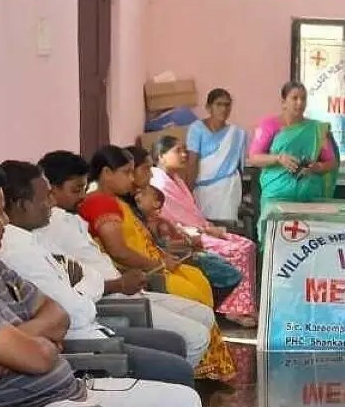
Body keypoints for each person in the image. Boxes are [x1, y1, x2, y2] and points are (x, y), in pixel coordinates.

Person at [0, 162, 201, 407]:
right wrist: (39, 341)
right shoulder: (13, 249)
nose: (4, 221)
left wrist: (23, 341)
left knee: (186, 404)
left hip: (69, 384)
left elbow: (57, 315)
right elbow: (42, 352)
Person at [0, 160, 194, 387]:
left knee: (174, 343)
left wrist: (80, 295)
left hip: (93, 321)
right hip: (83, 345)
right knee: (178, 368)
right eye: (45, 198)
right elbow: (74, 313)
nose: (52, 203)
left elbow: (81, 280)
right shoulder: (17, 250)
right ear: (21, 204)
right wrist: (86, 295)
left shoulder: (33, 237)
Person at [35, 150, 218, 370]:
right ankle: (178, 377)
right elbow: (114, 254)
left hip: (125, 288)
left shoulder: (69, 218)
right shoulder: (46, 227)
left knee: (205, 315)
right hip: (108, 299)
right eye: (75, 190)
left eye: (83, 188)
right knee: (196, 337)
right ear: (51, 189)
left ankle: (178, 374)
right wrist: (125, 280)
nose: (82, 196)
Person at [77, 145, 234, 381]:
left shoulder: (113, 201)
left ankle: (193, 371)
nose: (132, 179)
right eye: (126, 172)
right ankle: (182, 376)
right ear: (107, 173)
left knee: (199, 290)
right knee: (194, 304)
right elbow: (119, 252)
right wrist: (156, 264)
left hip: (138, 273)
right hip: (128, 280)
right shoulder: (100, 202)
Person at [150, 137, 257, 327]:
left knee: (247, 244)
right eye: (178, 151)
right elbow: (172, 222)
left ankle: (244, 305)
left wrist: (209, 228)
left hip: (201, 229)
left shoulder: (176, 180)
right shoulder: (159, 184)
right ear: (161, 156)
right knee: (239, 251)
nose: (184, 155)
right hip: (187, 236)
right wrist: (203, 230)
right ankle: (233, 310)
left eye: (185, 150)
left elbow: (190, 213)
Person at [248, 81, 338, 241]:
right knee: (274, 243)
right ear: (283, 102)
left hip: (308, 199)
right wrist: (278, 158)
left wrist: (315, 167)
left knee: (308, 245)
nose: (299, 103)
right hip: (277, 197)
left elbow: (331, 162)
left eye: (303, 98)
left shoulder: (316, 129)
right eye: (294, 98)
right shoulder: (269, 125)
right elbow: (254, 157)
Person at [185, 88, 247, 222]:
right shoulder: (197, 129)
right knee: (202, 226)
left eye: (227, 105)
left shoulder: (236, 134)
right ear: (209, 107)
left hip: (227, 190)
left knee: (226, 227)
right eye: (219, 104)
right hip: (202, 190)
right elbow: (192, 162)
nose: (224, 109)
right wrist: (188, 192)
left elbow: (239, 167)